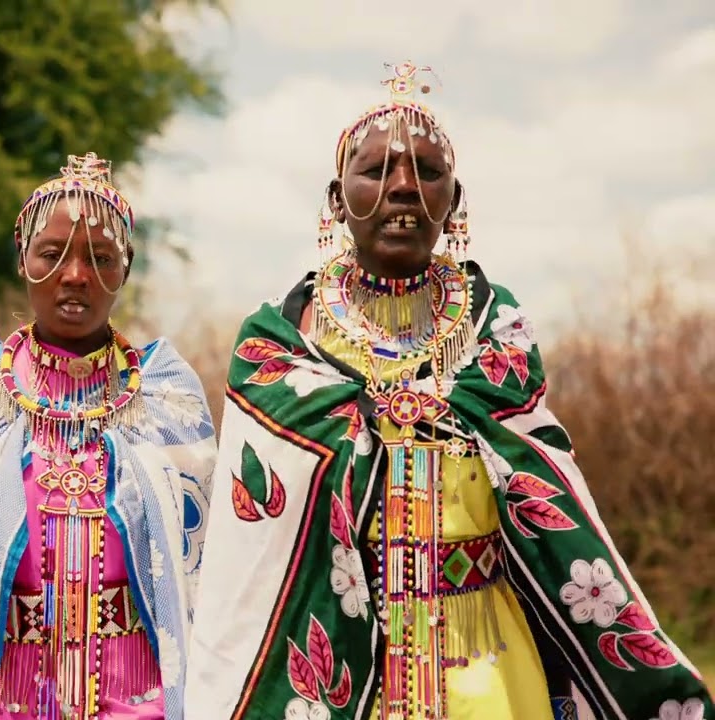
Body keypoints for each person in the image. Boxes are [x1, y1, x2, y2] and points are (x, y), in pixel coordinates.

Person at [184, 62, 714, 720]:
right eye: (376, 171)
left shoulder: (497, 330)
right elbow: (254, 541)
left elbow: (533, 472)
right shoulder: (280, 345)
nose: (403, 187)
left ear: (453, 201)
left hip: (487, 662)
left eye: (427, 173)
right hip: (353, 663)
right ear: (334, 198)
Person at [0, 153, 216, 720]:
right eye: (52, 254)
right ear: (22, 260)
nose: (76, 275)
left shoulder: (167, 395)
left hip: (140, 700)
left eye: (101, 257)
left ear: (126, 270)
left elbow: (197, 573)